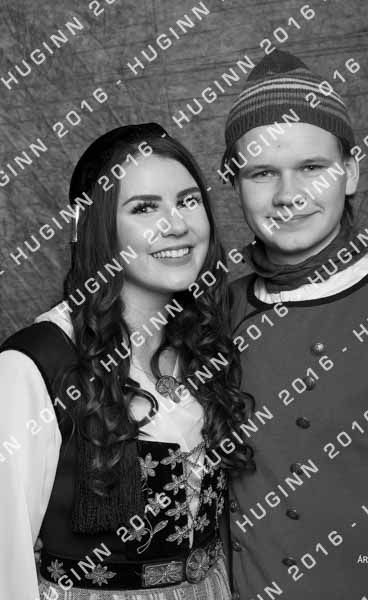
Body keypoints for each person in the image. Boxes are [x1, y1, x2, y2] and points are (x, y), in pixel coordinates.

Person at [221, 50, 368, 599]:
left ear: (352, 173)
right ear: (235, 184)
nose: (287, 195)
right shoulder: (212, 314)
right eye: (262, 173)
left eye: (312, 168)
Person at [0, 123, 254, 599]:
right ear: (96, 227)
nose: (176, 224)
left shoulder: (203, 340)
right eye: (144, 208)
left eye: (188, 200)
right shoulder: (34, 363)